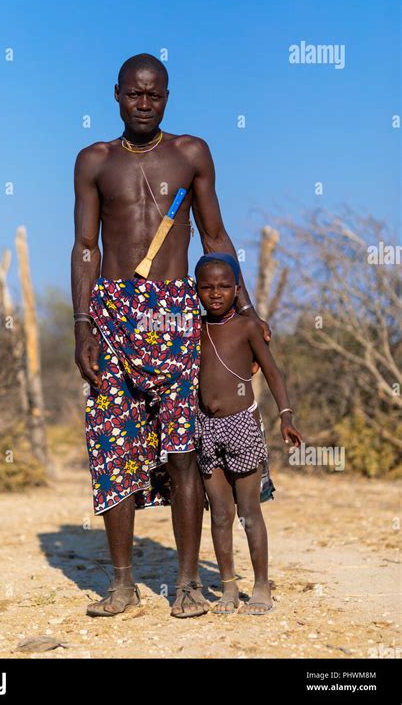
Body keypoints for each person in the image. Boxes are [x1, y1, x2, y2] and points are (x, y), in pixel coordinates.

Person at [71, 53, 270, 618]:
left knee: (183, 451)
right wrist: (82, 323)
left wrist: (247, 315)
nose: (143, 103)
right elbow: (86, 246)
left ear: (167, 97)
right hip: (113, 315)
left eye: (153, 94)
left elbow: (215, 232)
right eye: (133, 94)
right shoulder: (94, 160)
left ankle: (185, 584)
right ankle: (122, 585)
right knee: (112, 449)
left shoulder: (191, 153)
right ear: (115, 95)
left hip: (175, 314)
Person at [194, 253, 303, 615]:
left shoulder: (247, 327)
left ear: (236, 289)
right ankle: (227, 587)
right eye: (207, 287)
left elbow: (272, 373)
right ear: (196, 290)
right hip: (205, 427)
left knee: (249, 511)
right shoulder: (193, 328)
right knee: (220, 513)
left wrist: (286, 417)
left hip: (241, 423)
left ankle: (260, 584)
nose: (215, 293)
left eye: (224, 286)